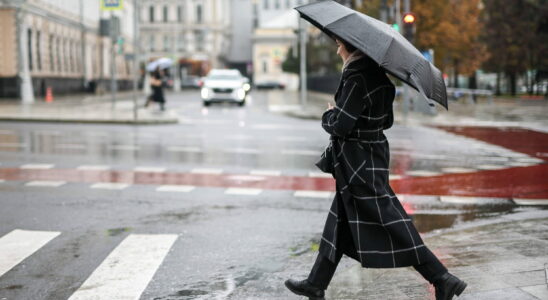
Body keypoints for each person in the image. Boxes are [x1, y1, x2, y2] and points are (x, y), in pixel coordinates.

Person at [284, 37, 467, 300]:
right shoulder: (382, 79)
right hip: (373, 157)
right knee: (340, 220)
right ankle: (316, 283)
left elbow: (342, 126)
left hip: (357, 162)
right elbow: (387, 121)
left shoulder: (357, 77)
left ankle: (442, 278)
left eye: (340, 45)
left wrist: (329, 114)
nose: (337, 50)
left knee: (390, 222)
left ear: (353, 48)